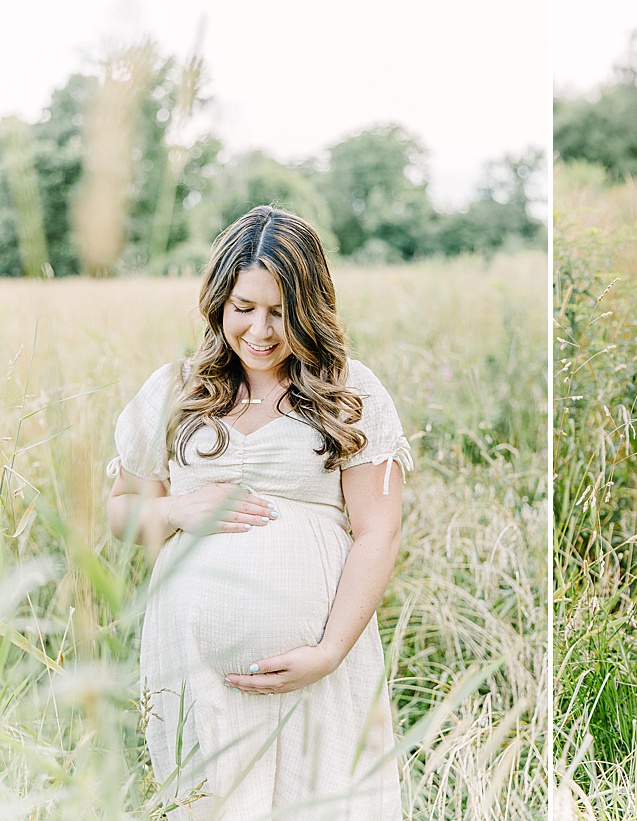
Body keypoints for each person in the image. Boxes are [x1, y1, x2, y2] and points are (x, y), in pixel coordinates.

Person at [107, 206, 410, 819]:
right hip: (193, 663)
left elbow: (379, 532)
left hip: (318, 662)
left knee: (320, 799)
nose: (261, 330)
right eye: (244, 307)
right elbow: (120, 515)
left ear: (310, 310)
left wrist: (327, 653)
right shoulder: (176, 389)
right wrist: (177, 508)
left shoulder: (353, 392)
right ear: (218, 302)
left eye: (281, 312)